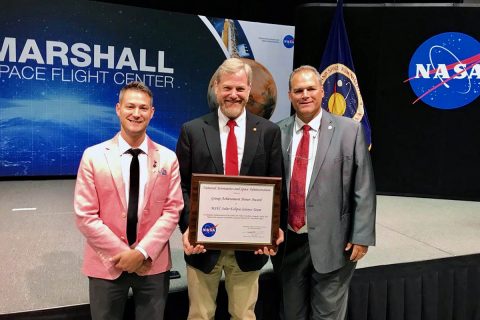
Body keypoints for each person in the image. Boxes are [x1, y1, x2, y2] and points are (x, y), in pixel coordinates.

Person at [176, 57, 285, 320]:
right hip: (204, 244)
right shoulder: (192, 130)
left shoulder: (269, 132)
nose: (233, 95)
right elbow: (181, 185)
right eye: (227, 88)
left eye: (239, 88)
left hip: (249, 247)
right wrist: (189, 227)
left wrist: (272, 229)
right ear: (216, 88)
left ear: (249, 89)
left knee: (244, 315)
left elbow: (275, 185)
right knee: (200, 315)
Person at [273, 65, 376, 320]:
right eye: (298, 90)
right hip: (289, 243)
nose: (305, 95)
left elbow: (363, 186)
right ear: (289, 96)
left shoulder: (349, 131)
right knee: (291, 314)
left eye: (311, 88)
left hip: (335, 242)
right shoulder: (277, 132)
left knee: (327, 316)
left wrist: (361, 235)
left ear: (322, 92)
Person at [74, 81, 183, 320]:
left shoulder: (168, 158)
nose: (136, 113)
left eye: (143, 108)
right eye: (130, 106)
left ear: (152, 112)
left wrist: (142, 252)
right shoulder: (93, 157)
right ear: (118, 109)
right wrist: (126, 255)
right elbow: (85, 215)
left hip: (152, 264)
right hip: (107, 263)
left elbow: (173, 210)